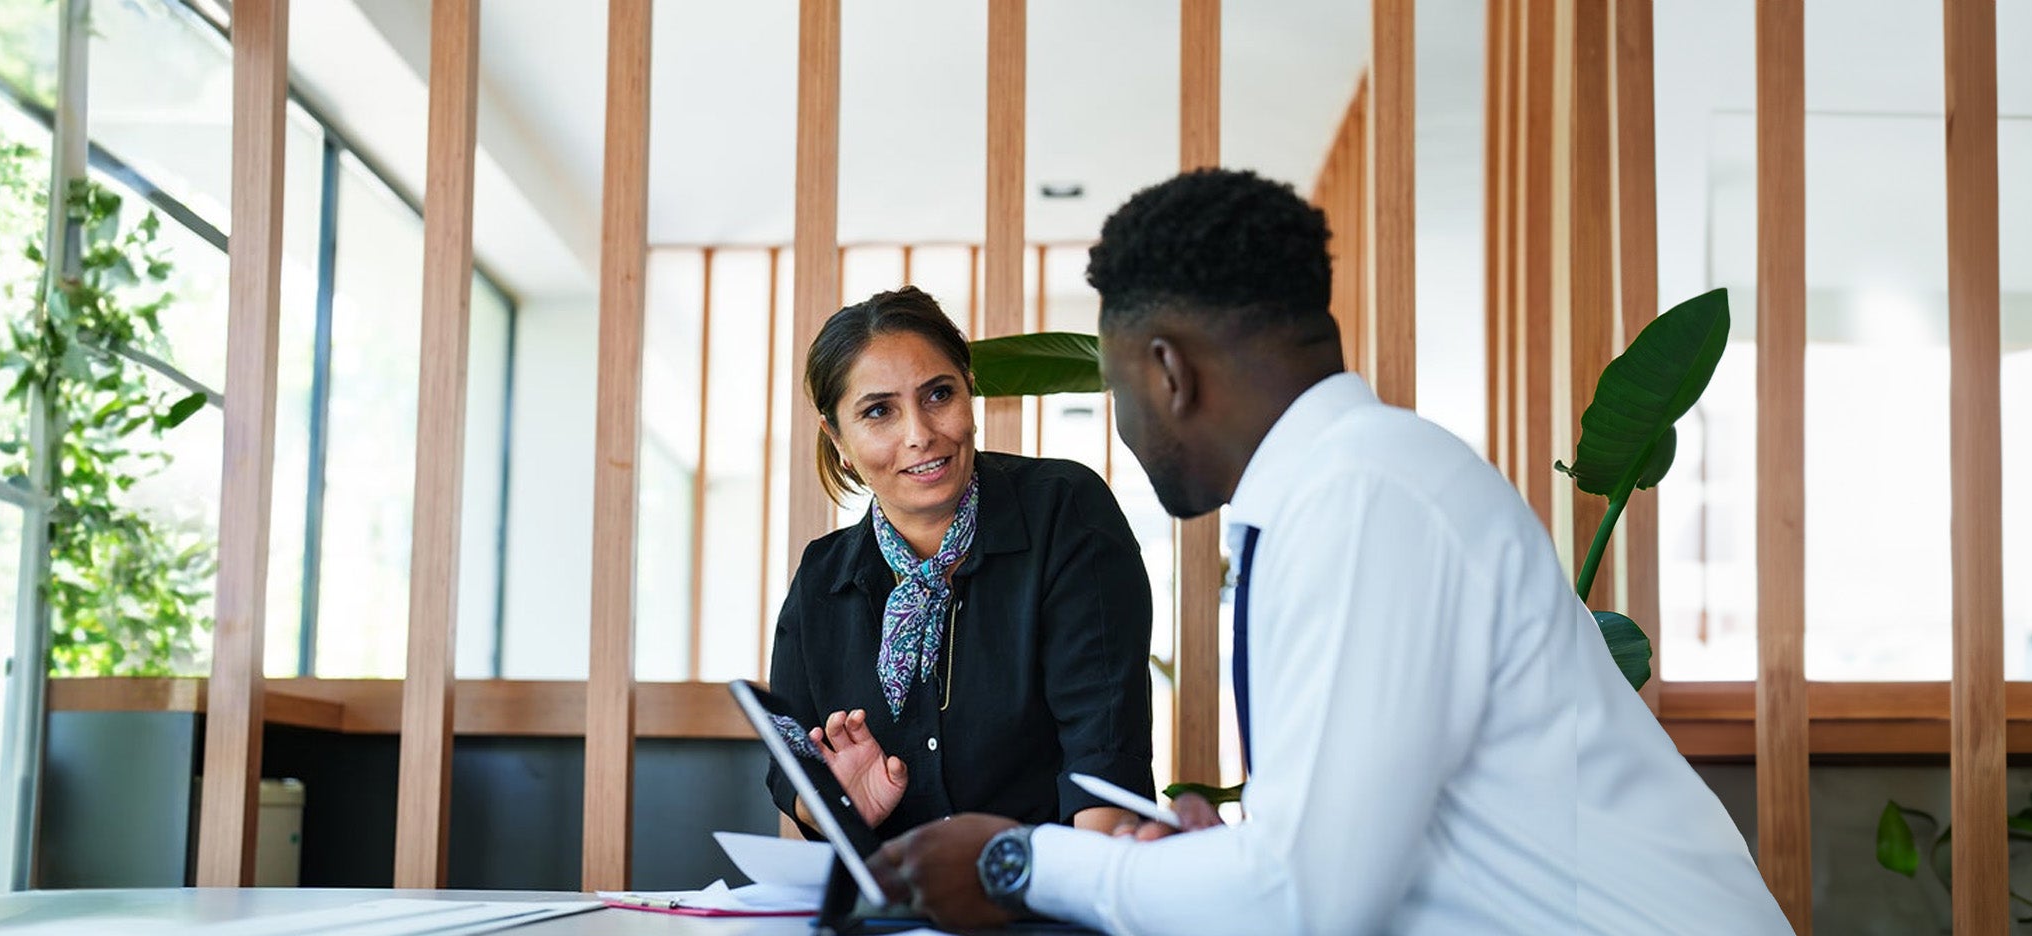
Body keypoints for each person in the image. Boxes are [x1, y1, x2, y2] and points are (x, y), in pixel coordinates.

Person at [866, 170, 1791, 934]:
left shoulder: (1363, 499)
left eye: (1117, 386)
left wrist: (1018, 859)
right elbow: (1330, 863)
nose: (1125, 421)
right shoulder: (1344, 487)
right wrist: (1223, 857)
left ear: (1168, 372)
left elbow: (1303, 908)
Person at [766, 286, 1158, 842]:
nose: (920, 434)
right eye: (879, 411)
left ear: (969, 393)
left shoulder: (1063, 509)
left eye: (938, 394)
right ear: (839, 438)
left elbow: (1105, 756)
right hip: (890, 907)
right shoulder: (821, 578)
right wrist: (834, 802)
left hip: (1045, 900)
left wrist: (1079, 897)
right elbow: (793, 774)